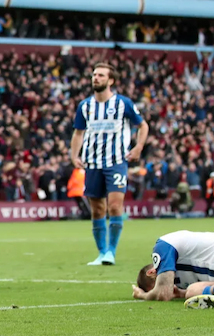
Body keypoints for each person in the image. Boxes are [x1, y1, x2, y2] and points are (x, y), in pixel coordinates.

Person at [69, 63, 149, 266]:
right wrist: (74, 155)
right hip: (93, 163)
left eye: (101, 75)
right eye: (94, 74)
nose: (96, 78)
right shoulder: (85, 106)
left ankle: (111, 252)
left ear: (110, 80)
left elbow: (143, 125)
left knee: (114, 206)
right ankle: (102, 252)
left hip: (116, 162)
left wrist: (139, 147)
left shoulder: (124, 104)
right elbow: (78, 133)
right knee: (97, 210)